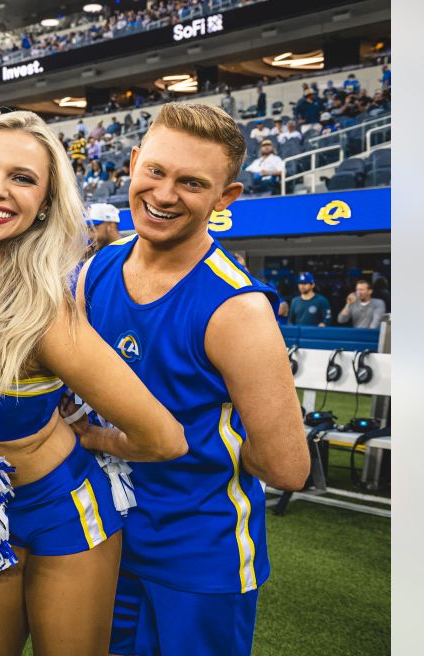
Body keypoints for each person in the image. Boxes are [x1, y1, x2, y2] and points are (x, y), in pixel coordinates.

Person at [0, 111, 186, 655]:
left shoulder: (44, 312)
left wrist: (97, 438)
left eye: (23, 179)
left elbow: (165, 438)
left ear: (47, 203)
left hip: (63, 512)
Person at [75, 103, 309, 656]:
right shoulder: (97, 267)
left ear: (225, 197)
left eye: (192, 182)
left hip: (196, 559)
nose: (163, 194)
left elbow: (286, 466)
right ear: (132, 164)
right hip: (102, 540)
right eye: (154, 171)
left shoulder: (238, 309)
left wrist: (190, 450)